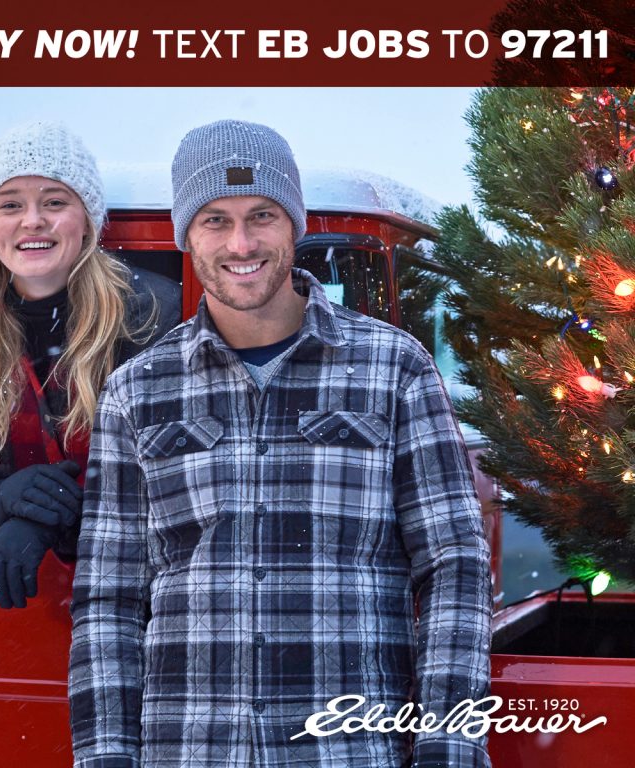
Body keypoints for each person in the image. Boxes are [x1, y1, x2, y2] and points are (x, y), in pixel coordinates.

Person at [69, 119, 492, 767]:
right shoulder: (137, 390)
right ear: (187, 235)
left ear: (294, 224)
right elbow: (110, 600)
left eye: (261, 215)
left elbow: (454, 567)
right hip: (191, 751)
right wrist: (106, 755)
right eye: (215, 220)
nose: (241, 243)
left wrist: (448, 744)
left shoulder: (393, 368)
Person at [0, 121, 181, 610]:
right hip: (19, 614)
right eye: (10, 204)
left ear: (87, 220)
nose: (33, 221)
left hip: (141, 585)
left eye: (55, 202)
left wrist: (44, 517)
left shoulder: (151, 311)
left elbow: (171, 467)